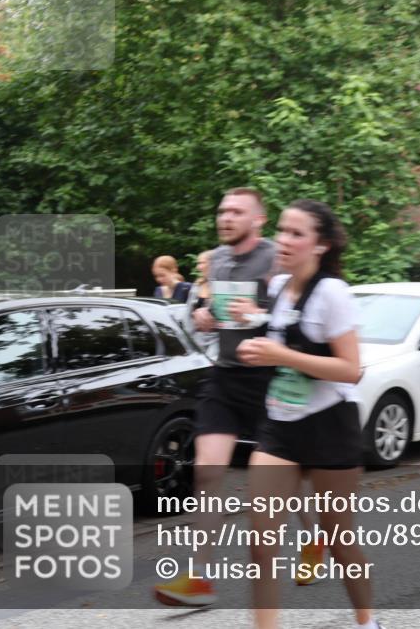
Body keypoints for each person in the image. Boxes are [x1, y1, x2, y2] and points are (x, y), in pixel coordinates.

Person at [233, 199, 381, 629]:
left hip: (329, 427)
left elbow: (350, 370)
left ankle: (366, 622)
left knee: (339, 540)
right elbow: (282, 335)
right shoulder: (279, 287)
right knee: (261, 544)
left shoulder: (334, 293)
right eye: (282, 230)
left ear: (321, 245)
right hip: (280, 427)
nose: (284, 240)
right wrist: (253, 332)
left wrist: (279, 353)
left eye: (297, 234)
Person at [154, 188, 277, 607]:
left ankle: (316, 534)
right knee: (207, 472)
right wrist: (202, 317)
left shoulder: (278, 258)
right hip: (225, 377)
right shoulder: (217, 259)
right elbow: (208, 312)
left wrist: (260, 316)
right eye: (222, 210)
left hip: (272, 380)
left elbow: (296, 314)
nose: (225, 217)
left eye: (236, 212)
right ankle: (200, 577)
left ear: (258, 220)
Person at [183, 249, 217, 355]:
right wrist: (188, 338)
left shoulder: (222, 286)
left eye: (201, 263)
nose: (198, 267)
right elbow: (187, 315)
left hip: (216, 340)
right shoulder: (197, 286)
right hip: (196, 339)